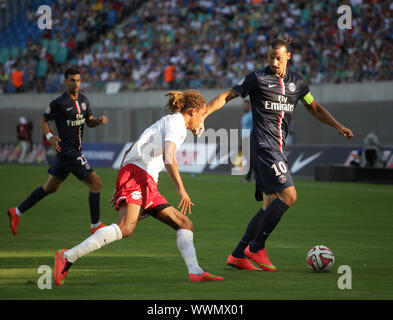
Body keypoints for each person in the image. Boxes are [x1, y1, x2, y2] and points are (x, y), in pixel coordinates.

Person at [196, 38, 354, 271]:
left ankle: (238, 254)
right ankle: (257, 247)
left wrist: (337, 125)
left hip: (278, 148)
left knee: (269, 204)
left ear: (288, 56)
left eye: (278, 58)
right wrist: (204, 114)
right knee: (289, 196)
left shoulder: (298, 84)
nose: (274, 62)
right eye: (271, 57)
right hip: (263, 146)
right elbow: (226, 95)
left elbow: (314, 107)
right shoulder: (256, 79)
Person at [53, 90, 224, 285]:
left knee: (184, 224)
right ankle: (67, 256)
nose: (202, 121)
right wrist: (181, 189)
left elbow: (130, 148)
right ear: (193, 111)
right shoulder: (177, 125)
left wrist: (122, 184)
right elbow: (169, 157)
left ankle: (195, 271)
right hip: (138, 175)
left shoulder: (167, 122)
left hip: (142, 178)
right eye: (202, 116)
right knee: (125, 228)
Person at [7, 68, 108, 236]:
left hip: (68, 153)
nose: (75, 84)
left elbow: (89, 122)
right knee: (96, 184)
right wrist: (50, 136)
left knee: (50, 187)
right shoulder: (59, 103)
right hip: (68, 151)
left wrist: (98, 121)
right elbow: (43, 120)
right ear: (65, 82)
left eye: (78, 80)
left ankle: (16, 212)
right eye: (72, 80)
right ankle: (95, 225)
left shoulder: (83, 100)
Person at [240, 99, 253, 182]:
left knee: (252, 159)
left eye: (245, 105)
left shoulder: (252, 115)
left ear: (249, 106)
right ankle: (249, 177)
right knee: (248, 159)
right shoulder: (244, 116)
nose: (244, 106)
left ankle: (250, 177)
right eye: (243, 105)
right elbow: (243, 129)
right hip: (244, 140)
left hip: (250, 139)